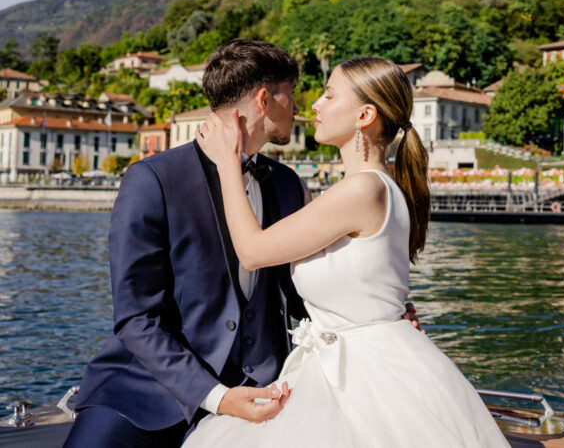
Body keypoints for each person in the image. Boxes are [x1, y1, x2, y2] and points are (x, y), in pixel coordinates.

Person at [184, 56, 508, 447]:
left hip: (364, 376)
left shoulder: (362, 190)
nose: (314, 105)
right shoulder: (371, 186)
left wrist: (226, 163)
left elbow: (252, 252)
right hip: (357, 364)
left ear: (364, 115)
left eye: (329, 95)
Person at [67, 39, 316, 447]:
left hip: (266, 388)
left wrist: (372, 316)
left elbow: (302, 293)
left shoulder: (287, 185)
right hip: (147, 391)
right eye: (291, 96)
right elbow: (135, 319)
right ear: (265, 99)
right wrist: (217, 397)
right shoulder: (151, 179)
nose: (298, 109)